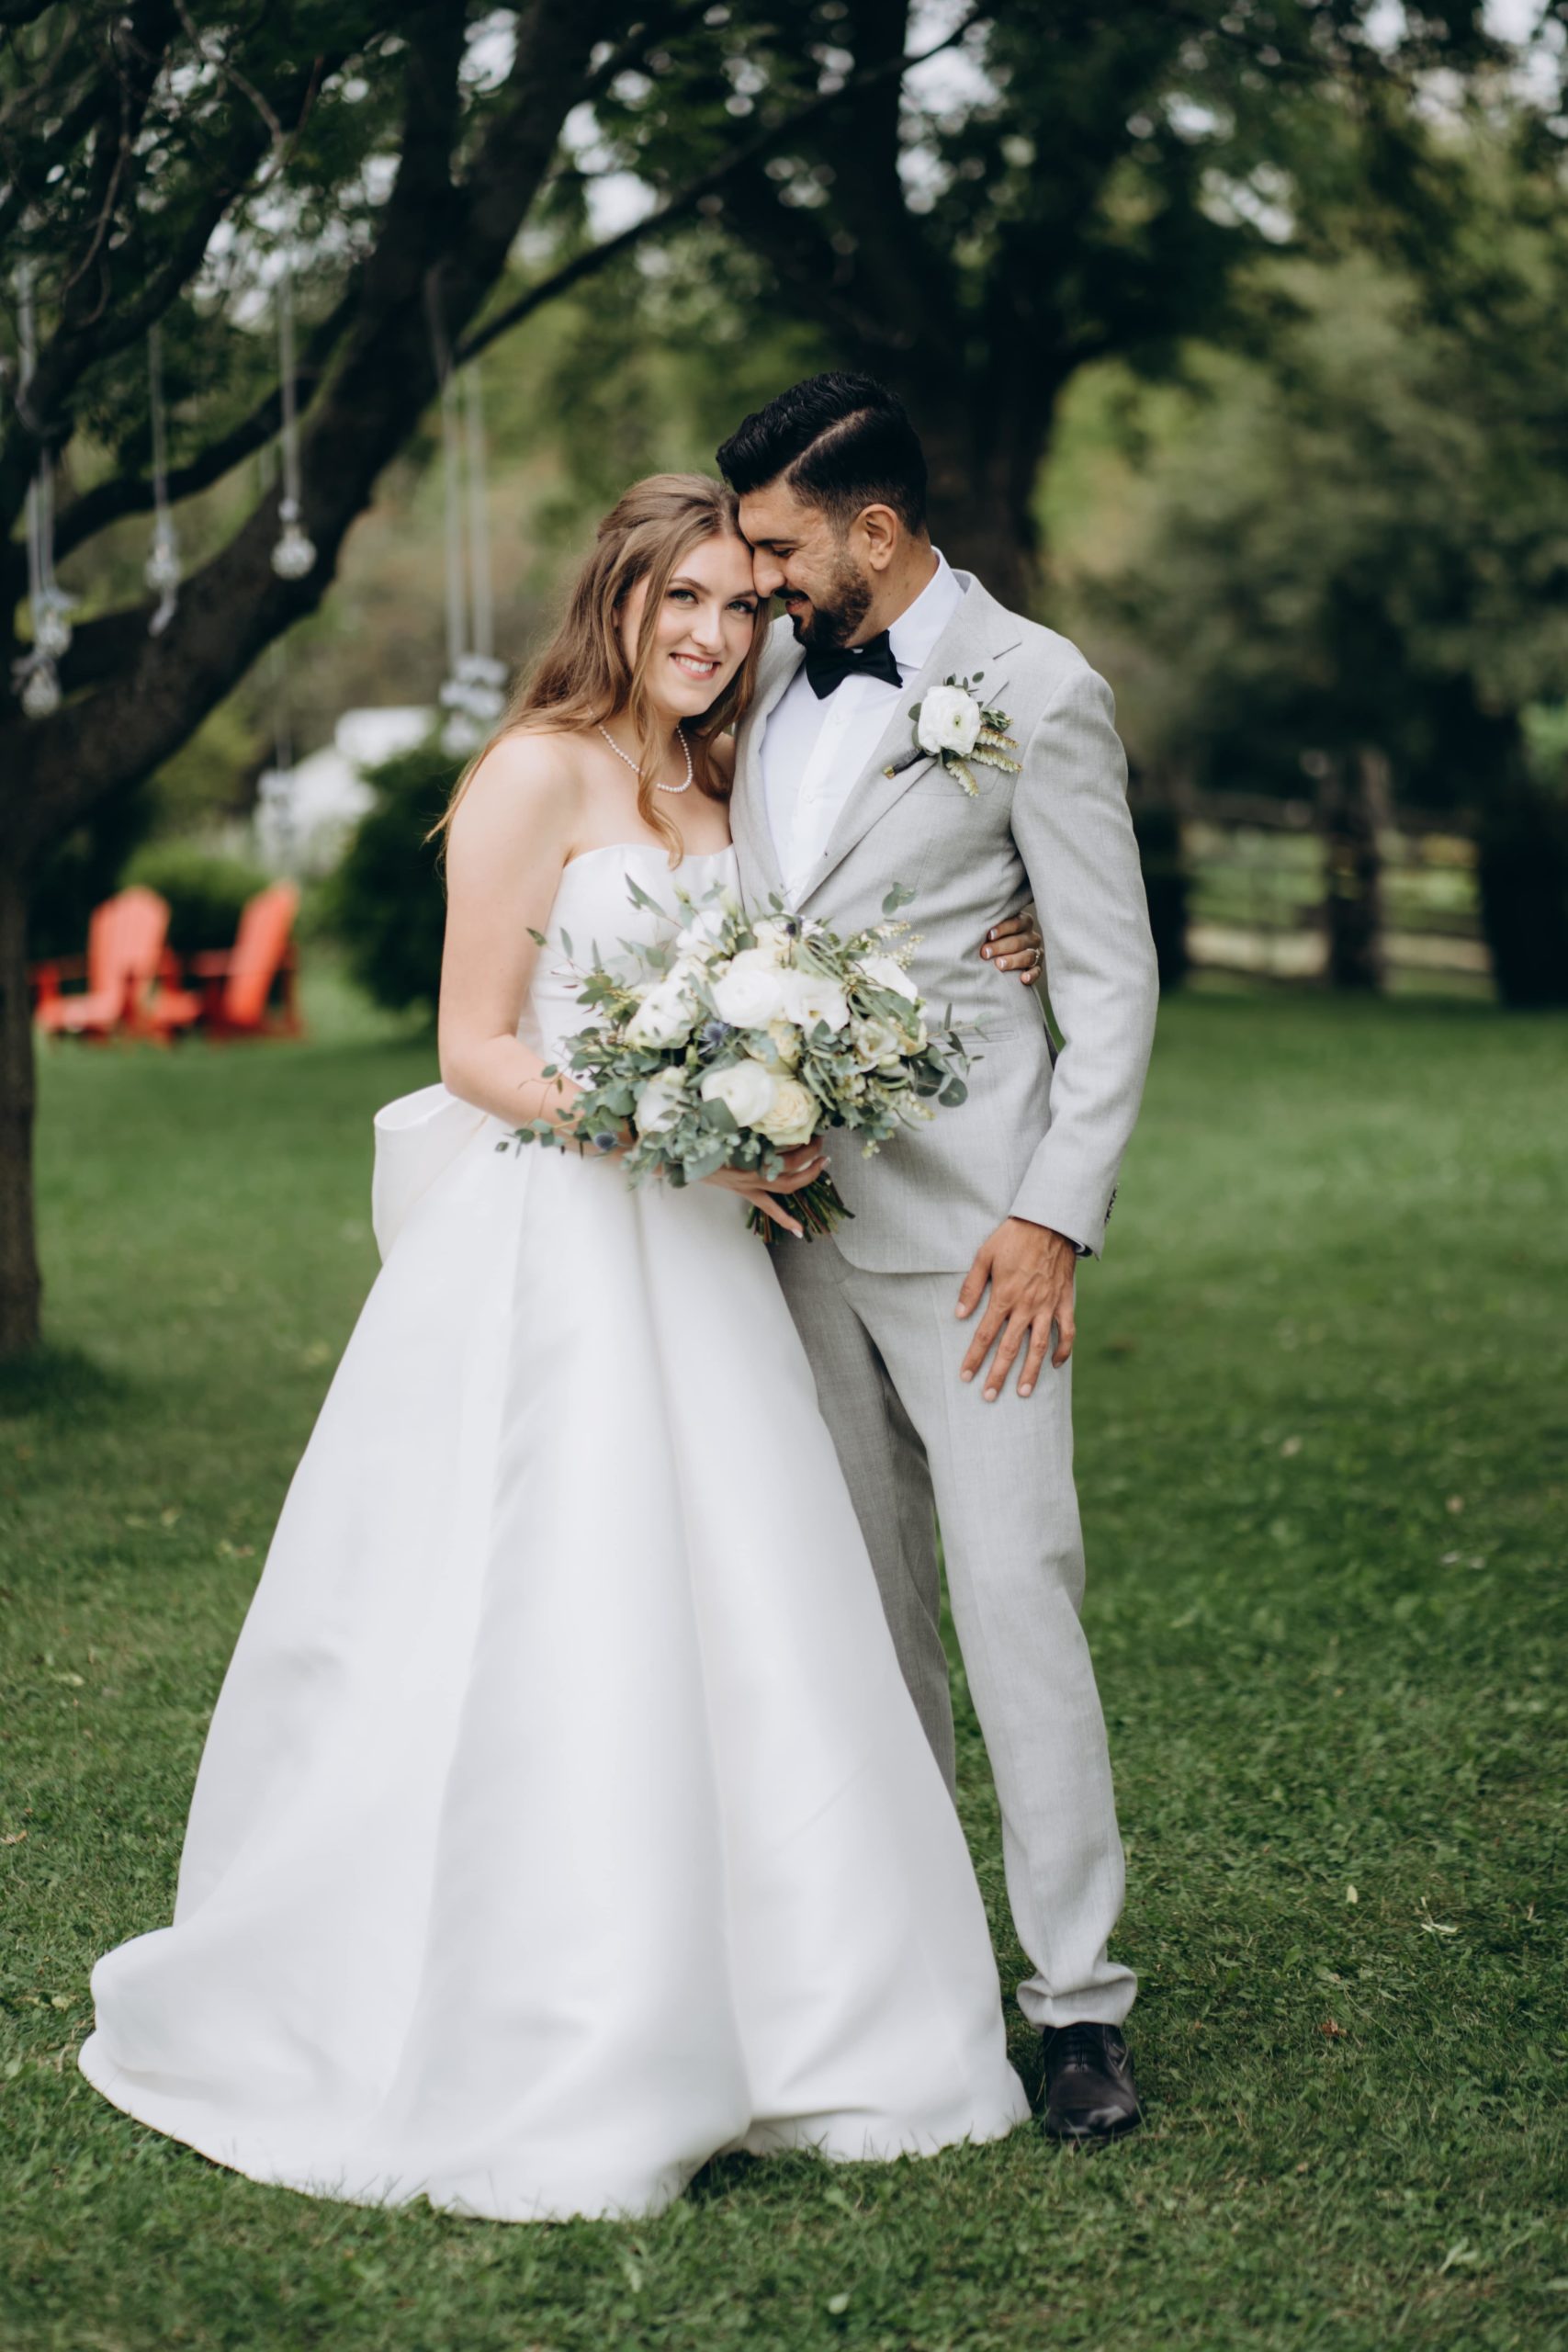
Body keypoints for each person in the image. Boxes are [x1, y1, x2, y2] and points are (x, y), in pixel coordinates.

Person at [77, 473, 1048, 2223]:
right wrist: (674, 1122)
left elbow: (830, 946)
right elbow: (472, 1046)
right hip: (563, 1244)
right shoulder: (538, 768)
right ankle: (550, 2015)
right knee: (561, 1596)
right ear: (614, 598)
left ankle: (808, 2015)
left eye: (740, 606)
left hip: (709, 1260)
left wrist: (947, 980)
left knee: (749, 1603)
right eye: (678, 599)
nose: (708, 634)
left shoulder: (736, 780)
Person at [717, 375, 1160, 2142]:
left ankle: (1078, 2004)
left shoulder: (1039, 690)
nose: (751, 579)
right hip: (782, 1236)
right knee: (866, 1614)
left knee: (1012, 1595)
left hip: (980, 1244)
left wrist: (1054, 1215)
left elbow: (1113, 978)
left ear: (875, 533)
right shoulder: (754, 680)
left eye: (776, 545)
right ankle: (913, 1973)